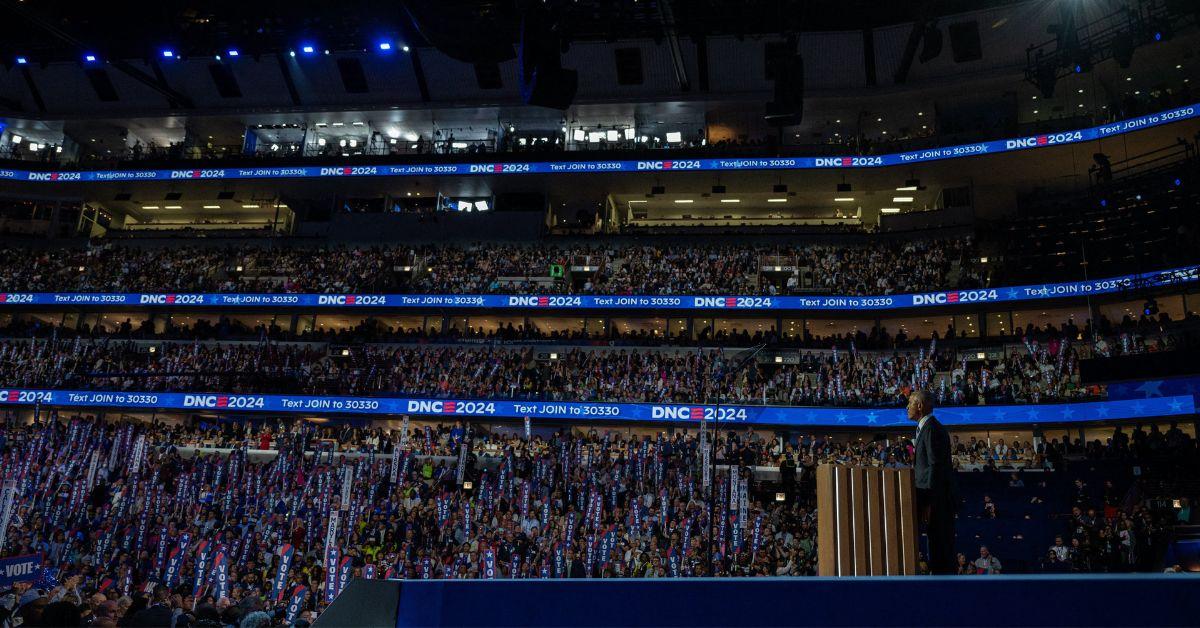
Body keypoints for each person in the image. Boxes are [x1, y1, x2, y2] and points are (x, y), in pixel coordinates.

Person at [908, 390, 956, 574]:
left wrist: (929, 501)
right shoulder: (926, 428)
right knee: (935, 544)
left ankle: (944, 590)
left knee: (940, 547)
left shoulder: (932, 429)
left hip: (936, 500)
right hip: (933, 499)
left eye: (910, 403)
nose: (907, 407)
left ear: (920, 405)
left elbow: (935, 467)